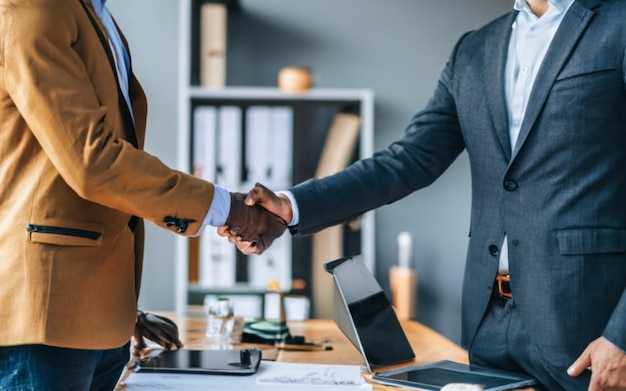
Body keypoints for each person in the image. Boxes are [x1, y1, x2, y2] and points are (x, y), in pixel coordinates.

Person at [220, 0, 626, 389]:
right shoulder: (475, 48)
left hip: (588, 324)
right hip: (489, 322)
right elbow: (410, 158)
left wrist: (622, 336)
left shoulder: (618, 25)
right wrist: (289, 207)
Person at [0, 0, 285, 390]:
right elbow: (93, 161)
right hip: (41, 324)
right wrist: (231, 208)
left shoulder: (94, 14)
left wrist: (118, 309)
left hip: (95, 321)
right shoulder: (34, 8)